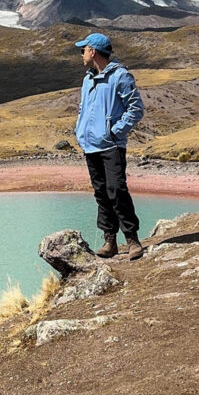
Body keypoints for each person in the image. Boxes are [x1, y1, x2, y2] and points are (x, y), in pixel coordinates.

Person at [73, 32, 145, 260]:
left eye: (83, 50)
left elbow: (136, 108)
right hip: (90, 146)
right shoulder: (87, 79)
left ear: (93, 51)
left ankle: (132, 240)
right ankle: (109, 241)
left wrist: (115, 131)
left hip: (110, 146)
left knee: (116, 190)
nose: (81, 54)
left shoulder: (120, 76)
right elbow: (83, 109)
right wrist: (80, 130)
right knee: (101, 194)